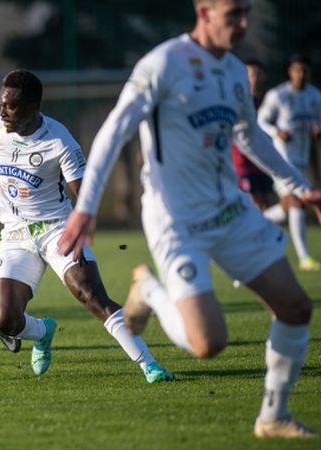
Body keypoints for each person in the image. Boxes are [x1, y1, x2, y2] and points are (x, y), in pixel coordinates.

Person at [58, 0, 321, 439]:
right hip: (175, 219)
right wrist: (87, 206)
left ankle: (273, 415)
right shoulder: (163, 64)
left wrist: (298, 185)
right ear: (204, 12)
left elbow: (250, 135)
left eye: (246, 14)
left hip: (230, 211)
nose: (242, 23)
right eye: (233, 13)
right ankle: (150, 290)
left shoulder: (235, 71)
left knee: (296, 308)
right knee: (208, 344)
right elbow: (114, 131)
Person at [0, 69, 173, 382]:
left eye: (11, 106)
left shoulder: (60, 142)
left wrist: (82, 230)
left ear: (33, 107)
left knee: (91, 295)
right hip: (15, 235)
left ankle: (150, 365)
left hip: (57, 229)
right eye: (1, 104)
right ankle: (44, 331)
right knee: (4, 320)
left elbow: (85, 193)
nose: (2, 112)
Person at [258, 54, 321, 271]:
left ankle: (253, 221)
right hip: (281, 159)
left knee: (288, 208)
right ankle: (304, 258)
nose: (301, 74)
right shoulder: (278, 95)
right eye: (297, 70)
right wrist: (277, 131)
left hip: (301, 158)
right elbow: (261, 120)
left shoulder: (315, 96)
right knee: (296, 201)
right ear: (290, 72)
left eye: (305, 70)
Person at [232, 59, 277, 212]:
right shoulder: (237, 100)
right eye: (250, 74)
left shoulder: (269, 102)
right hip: (243, 160)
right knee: (254, 203)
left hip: (265, 160)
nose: (254, 78)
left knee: (270, 201)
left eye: (258, 74)